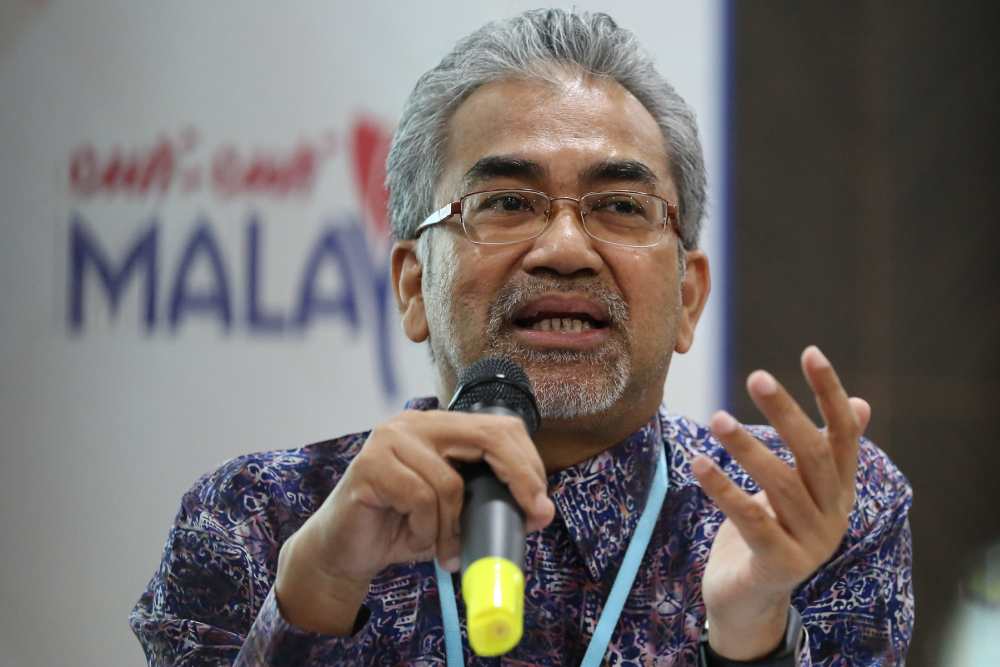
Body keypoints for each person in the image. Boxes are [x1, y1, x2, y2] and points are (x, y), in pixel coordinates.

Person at [131, 9, 913, 666]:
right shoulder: (259, 519)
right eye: (506, 202)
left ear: (686, 297)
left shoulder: (801, 515)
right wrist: (317, 594)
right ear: (412, 285)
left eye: (620, 207)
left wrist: (754, 634)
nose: (565, 249)